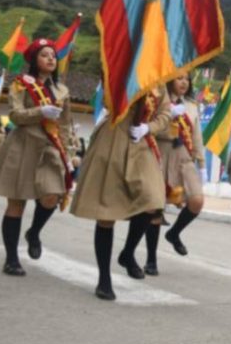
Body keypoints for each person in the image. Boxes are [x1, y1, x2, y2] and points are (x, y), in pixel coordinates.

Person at [0, 39, 78, 276]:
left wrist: (68, 152)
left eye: (53, 55)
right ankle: (12, 258)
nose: (51, 59)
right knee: (16, 203)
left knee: (51, 196)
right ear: (35, 60)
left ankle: (34, 232)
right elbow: (15, 115)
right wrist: (40, 112)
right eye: (45, 55)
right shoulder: (21, 85)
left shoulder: (62, 90)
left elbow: (65, 125)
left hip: (50, 149)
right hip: (23, 146)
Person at [71, 87, 172, 299]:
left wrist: (149, 127)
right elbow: (109, 101)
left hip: (142, 140)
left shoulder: (159, 81)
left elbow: (165, 114)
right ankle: (104, 279)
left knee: (152, 201)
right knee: (106, 213)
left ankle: (127, 252)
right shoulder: (120, 66)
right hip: (113, 137)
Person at [152, 73, 207, 269]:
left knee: (197, 200)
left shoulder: (192, 105)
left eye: (187, 78)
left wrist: (202, 164)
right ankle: (151, 259)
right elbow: (152, 126)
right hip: (160, 150)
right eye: (179, 78)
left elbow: (197, 136)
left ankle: (174, 233)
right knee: (156, 207)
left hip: (184, 152)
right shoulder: (158, 100)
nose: (184, 82)